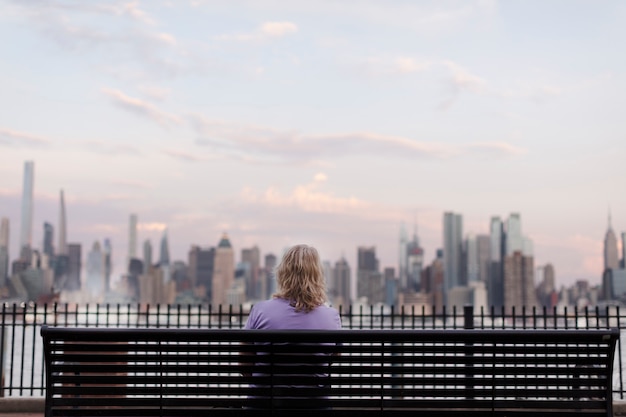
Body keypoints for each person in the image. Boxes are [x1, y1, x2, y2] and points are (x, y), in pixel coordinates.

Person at [243, 244, 341, 409]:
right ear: (318, 275)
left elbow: (244, 366)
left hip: (264, 406)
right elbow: (331, 361)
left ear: (282, 273)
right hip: (315, 408)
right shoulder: (332, 317)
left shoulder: (260, 311)